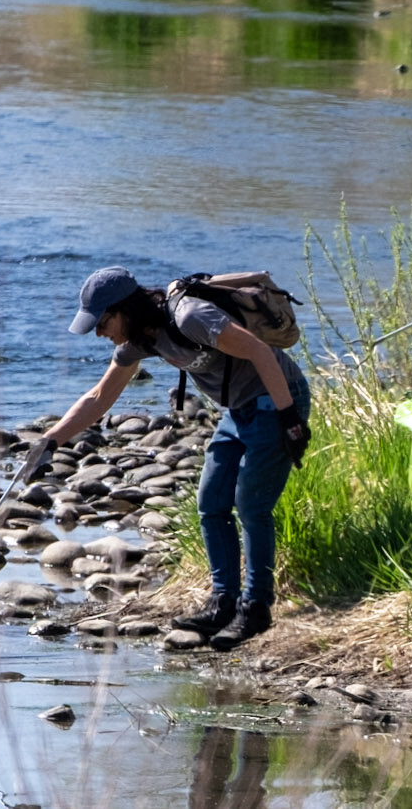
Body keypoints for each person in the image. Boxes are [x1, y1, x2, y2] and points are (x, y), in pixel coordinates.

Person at [37, 266, 311, 651]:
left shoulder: (190, 317)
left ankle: (257, 608)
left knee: (251, 505)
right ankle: (222, 603)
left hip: (276, 400)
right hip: (238, 409)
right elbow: (99, 397)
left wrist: (290, 419)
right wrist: (50, 440)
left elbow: (260, 351)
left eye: (102, 323)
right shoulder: (141, 339)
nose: (99, 333)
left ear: (124, 309)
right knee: (211, 502)